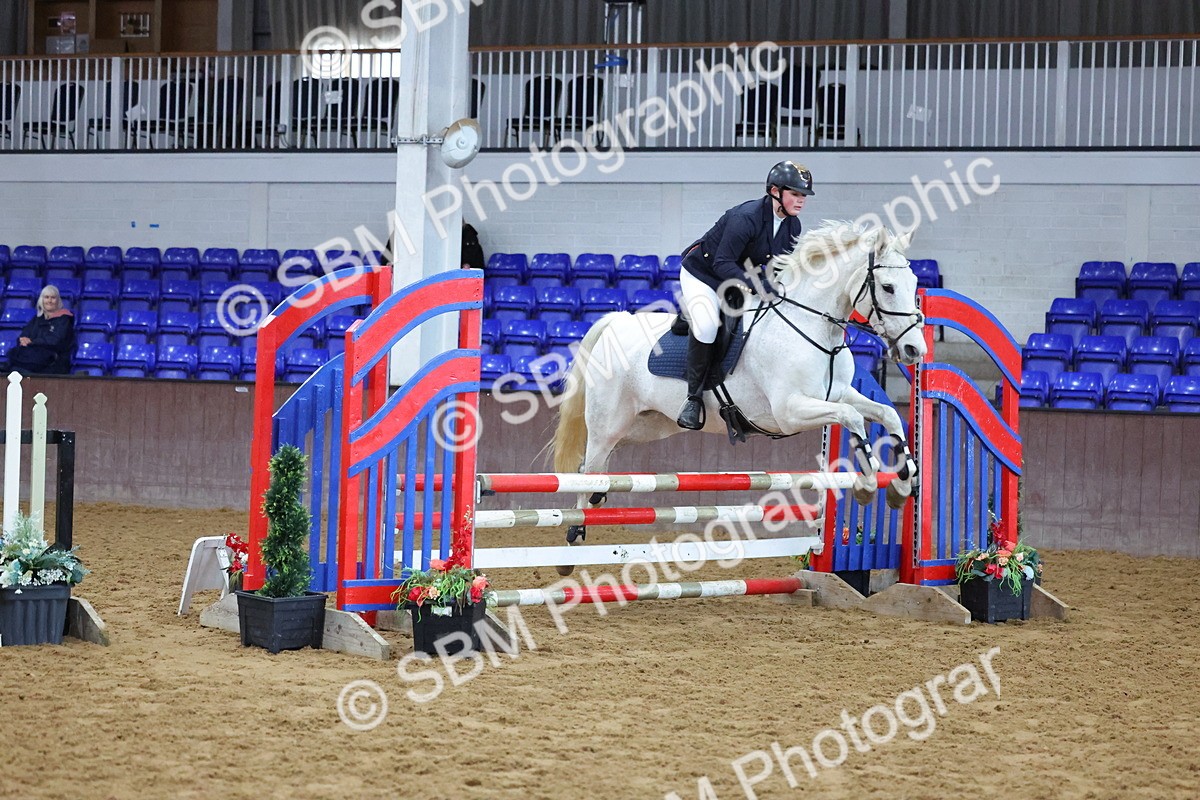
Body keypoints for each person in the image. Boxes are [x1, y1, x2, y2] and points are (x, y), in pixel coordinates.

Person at [675, 160, 814, 430]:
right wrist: (757, 283)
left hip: (735, 274)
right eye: (795, 194)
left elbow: (779, 267)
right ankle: (693, 398)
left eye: (803, 195)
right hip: (703, 274)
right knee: (706, 327)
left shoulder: (792, 226)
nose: (801, 201)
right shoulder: (746, 217)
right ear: (775, 191)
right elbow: (722, 262)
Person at [7, 285, 75, 375]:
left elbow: (55, 340)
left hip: (54, 361)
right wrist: (23, 340)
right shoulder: (37, 318)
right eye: (46, 297)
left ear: (58, 301)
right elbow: (24, 335)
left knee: (20, 371)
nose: (49, 301)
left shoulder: (64, 319)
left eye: (53, 298)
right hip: (34, 359)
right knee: (14, 365)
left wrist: (32, 342)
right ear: (42, 300)